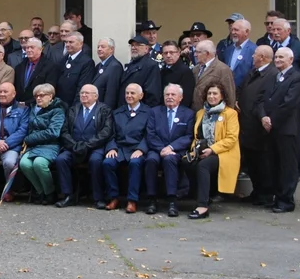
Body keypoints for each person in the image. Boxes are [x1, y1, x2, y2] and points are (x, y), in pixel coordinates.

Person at [262, 47, 300, 213]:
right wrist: (264, 117)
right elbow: (265, 98)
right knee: (274, 164)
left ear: (291, 60)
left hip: (287, 129)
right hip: (271, 128)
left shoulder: (297, 78)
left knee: (287, 166)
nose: (278, 60)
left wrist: (272, 119)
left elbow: (289, 103)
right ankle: (276, 198)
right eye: (276, 57)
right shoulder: (274, 77)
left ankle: (286, 201)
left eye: (281, 57)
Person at [54, 84, 113, 208]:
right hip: (74, 147)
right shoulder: (73, 109)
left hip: (94, 147)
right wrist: (74, 145)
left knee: (96, 161)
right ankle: (67, 195)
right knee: (61, 159)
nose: (84, 95)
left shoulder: (104, 110)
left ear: (96, 96)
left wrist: (87, 145)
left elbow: (106, 132)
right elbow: (64, 131)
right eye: (82, 93)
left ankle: (98, 197)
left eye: (87, 93)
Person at [188, 83, 240, 219]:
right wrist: (194, 150)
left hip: (223, 153)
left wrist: (212, 149)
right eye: (209, 93)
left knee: (203, 165)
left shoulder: (230, 113)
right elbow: (196, 136)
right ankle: (201, 195)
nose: (211, 96)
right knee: (186, 162)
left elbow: (231, 138)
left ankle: (202, 206)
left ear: (222, 96)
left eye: (215, 93)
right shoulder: (200, 113)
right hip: (203, 150)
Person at [143, 84, 195, 217]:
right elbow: (151, 134)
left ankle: (172, 201)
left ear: (180, 97)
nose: (169, 97)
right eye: (167, 95)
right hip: (157, 148)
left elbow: (188, 136)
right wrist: (162, 148)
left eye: (173, 95)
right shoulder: (154, 112)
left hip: (176, 150)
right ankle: (151, 199)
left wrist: (171, 148)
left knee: (169, 159)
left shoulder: (188, 114)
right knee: (151, 160)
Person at [237, 45, 277, 206]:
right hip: (247, 124)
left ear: (262, 57)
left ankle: (266, 194)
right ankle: (257, 191)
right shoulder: (253, 72)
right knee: (252, 162)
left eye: (254, 54)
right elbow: (241, 88)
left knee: (263, 163)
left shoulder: (271, 74)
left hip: (259, 126)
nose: (252, 57)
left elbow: (266, 99)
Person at [102, 83, 150, 213]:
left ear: (141, 95)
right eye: (127, 93)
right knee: (108, 163)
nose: (129, 95)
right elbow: (110, 134)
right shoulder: (117, 112)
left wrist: (141, 149)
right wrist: (111, 148)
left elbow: (149, 135)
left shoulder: (148, 112)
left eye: (132, 93)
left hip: (137, 149)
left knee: (135, 163)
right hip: (120, 148)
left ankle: (132, 200)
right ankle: (114, 198)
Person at [18, 83, 66, 205]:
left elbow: (53, 132)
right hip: (33, 146)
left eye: (42, 95)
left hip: (50, 145)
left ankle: (50, 193)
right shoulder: (33, 109)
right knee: (24, 164)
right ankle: (41, 192)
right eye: (36, 96)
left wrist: (30, 138)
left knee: (39, 164)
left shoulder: (58, 111)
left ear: (50, 96)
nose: (38, 98)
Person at [191, 40, 236, 112]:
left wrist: (227, 116)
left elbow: (230, 95)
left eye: (198, 52)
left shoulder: (223, 69)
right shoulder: (195, 69)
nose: (195, 55)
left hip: (215, 114)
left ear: (207, 53)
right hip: (196, 113)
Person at [118, 35, 161, 107]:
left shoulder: (151, 65)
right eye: (132, 45)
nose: (133, 48)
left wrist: (144, 112)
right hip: (126, 109)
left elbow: (152, 94)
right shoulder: (131, 64)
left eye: (138, 45)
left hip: (140, 111)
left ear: (146, 49)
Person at [14, 38, 59, 104]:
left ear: (40, 49)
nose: (29, 50)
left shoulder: (50, 66)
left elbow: (49, 90)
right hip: (20, 106)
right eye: (27, 48)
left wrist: (28, 103)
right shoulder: (19, 67)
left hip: (39, 105)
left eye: (32, 47)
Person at [55, 31, 94, 106]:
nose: (67, 45)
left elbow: (82, 87)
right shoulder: (62, 61)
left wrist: (75, 108)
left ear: (81, 44)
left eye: (71, 42)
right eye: (66, 42)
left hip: (73, 106)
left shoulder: (86, 62)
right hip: (59, 105)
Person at [223, 19, 257, 87]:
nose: (233, 32)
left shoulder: (254, 50)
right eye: (232, 30)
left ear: (246, 32)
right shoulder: (228, 50)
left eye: (236, 30)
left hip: (245, 91)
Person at [159, 41, 194, 108]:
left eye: (171, 52)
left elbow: (186, 98)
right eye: (165, 53)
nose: (168, 55)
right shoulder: (162, 70)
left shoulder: (185, 71)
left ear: (178, 53)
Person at [92, 37, 123, 108]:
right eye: (98, 47)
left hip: (104, 110)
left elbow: (111, 93)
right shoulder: (99, 66)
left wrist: (106, 112)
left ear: (111, 49)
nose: (99, 49)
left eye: (103, 47)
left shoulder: (115, 66)